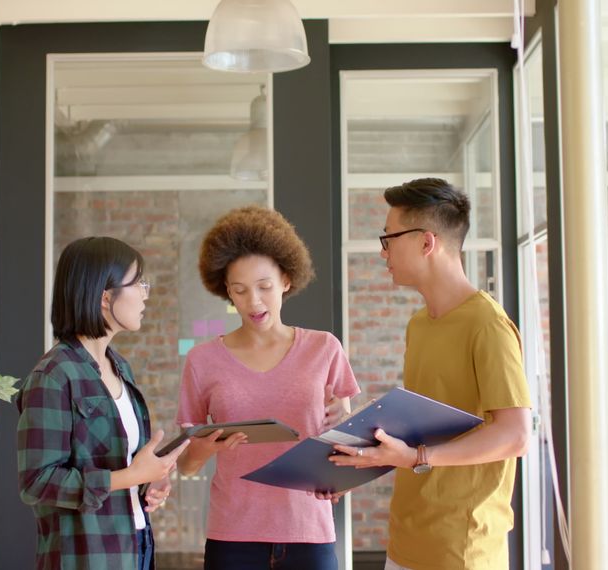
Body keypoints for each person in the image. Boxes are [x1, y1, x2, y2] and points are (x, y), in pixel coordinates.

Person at [329, 178, 532, 570]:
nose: (383, 251)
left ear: (426, 242)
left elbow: (516, 435)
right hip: (407, 540)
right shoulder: (419, 324)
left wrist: (417, 457)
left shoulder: (487, 324)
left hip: (463, 550)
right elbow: (422, 426)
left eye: (389, 238)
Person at [175, 206, 360, 570]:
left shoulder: (324, 348)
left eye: (265, 287)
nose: (254, 302)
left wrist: (343, 463)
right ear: (227, 291)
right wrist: (204, 449)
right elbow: (185, 465)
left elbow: (348, 455)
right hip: (233, 537)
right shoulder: (202, 360)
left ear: (287, 280)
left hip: (310, 532)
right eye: (240, 291)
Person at [17, 236, 189, 570]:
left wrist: (150, 478)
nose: (145, 293)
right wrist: (127, 476)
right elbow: (36, 483)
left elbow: (126, 464)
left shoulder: (120, 367)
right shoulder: (53, 376)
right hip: (84, 557)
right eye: (138, 283)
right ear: (105, 297)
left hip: (135, 546)